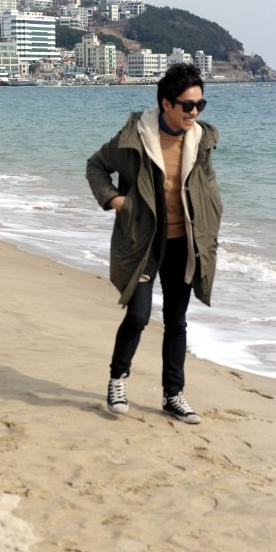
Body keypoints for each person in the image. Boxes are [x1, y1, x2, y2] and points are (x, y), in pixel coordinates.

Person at [86, 63, 222, 424]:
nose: (194, 112)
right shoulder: (135, 139)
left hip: (184, 243)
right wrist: (115, 200)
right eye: (187, 105)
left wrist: (212, 220)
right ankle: (118, 379)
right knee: (138, 315)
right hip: (143, 242)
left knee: (177, 321)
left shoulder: (200, 139)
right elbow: (96, 166)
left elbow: (205, 185)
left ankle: (173, 395)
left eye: (200, 105)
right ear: (166, 104)